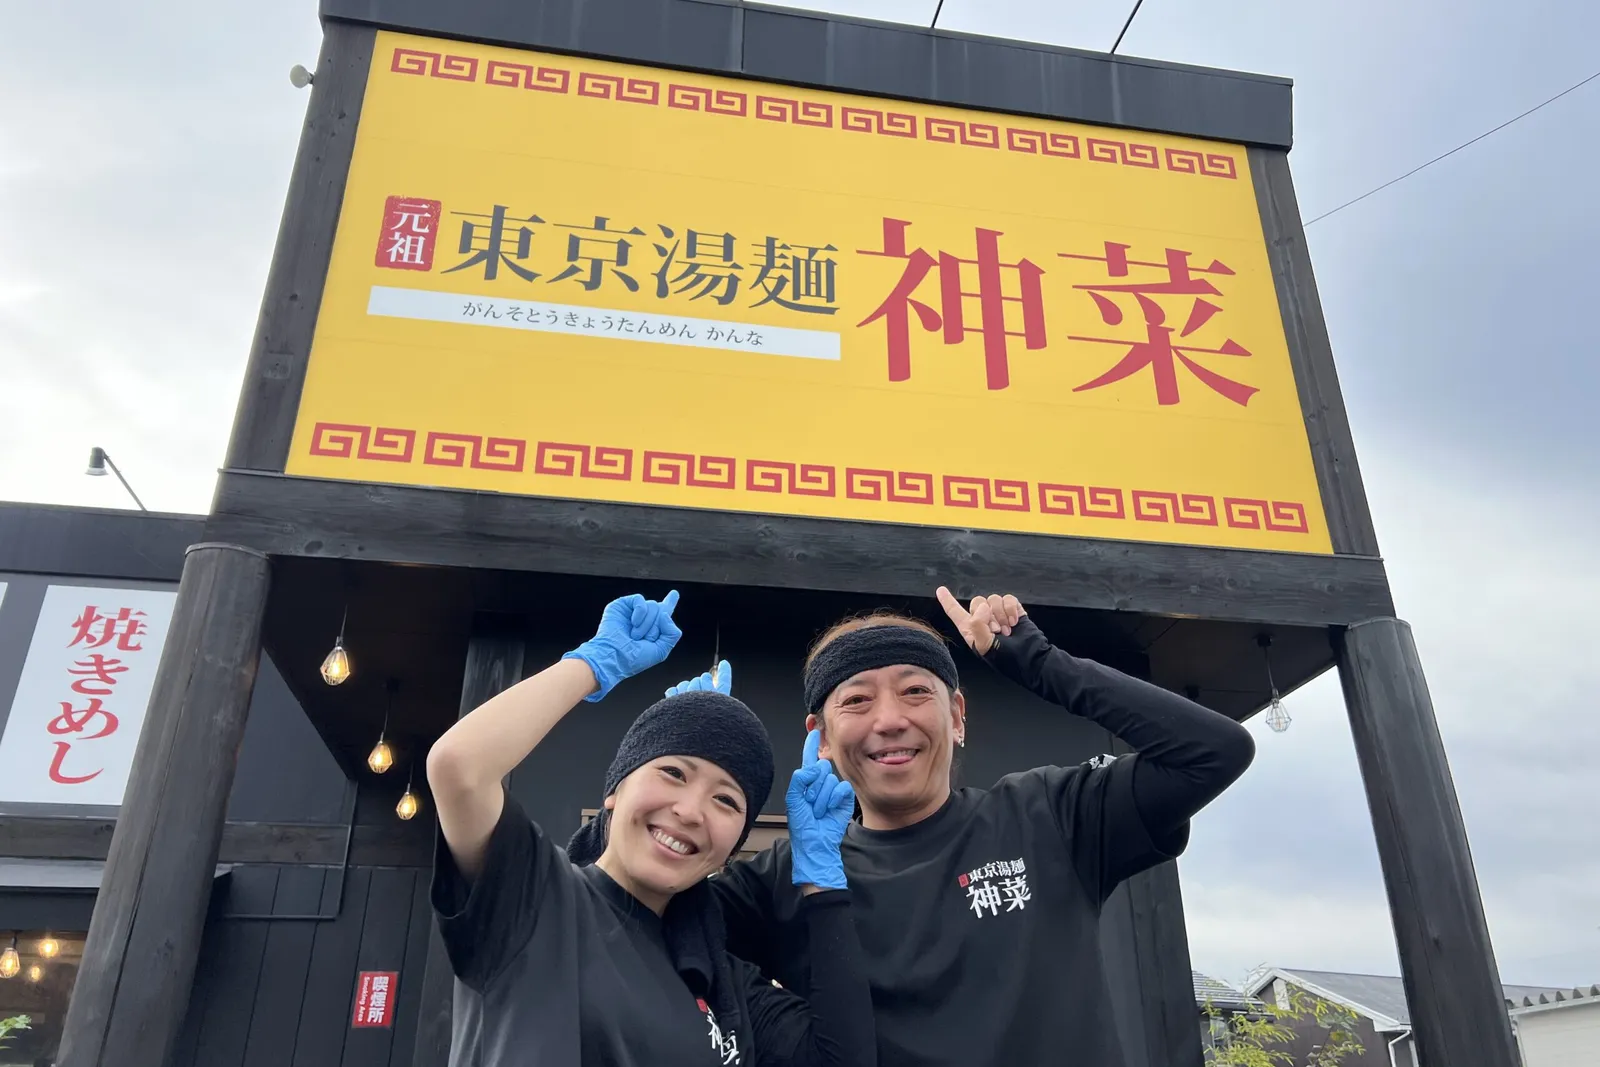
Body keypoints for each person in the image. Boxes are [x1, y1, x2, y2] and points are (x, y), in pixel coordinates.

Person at [711, 586, 1257, 1067]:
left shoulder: (1046, 813)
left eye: (916, 692)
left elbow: (1213, 752)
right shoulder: (795, 875)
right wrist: (682, 766)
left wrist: (1038, 662)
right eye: (856, 700)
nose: (890, 719)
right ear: (822, 737)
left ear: (957, 716)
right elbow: (637, 917)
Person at [426, 589, 877, 1067]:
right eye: (673, 773)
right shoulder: (535, 898)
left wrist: (822, 883)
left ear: (733, 848)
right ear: (615, 791)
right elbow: (460, 767)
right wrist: (596, 663)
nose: (689, 810)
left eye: (725, 799)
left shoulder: (721, 982)